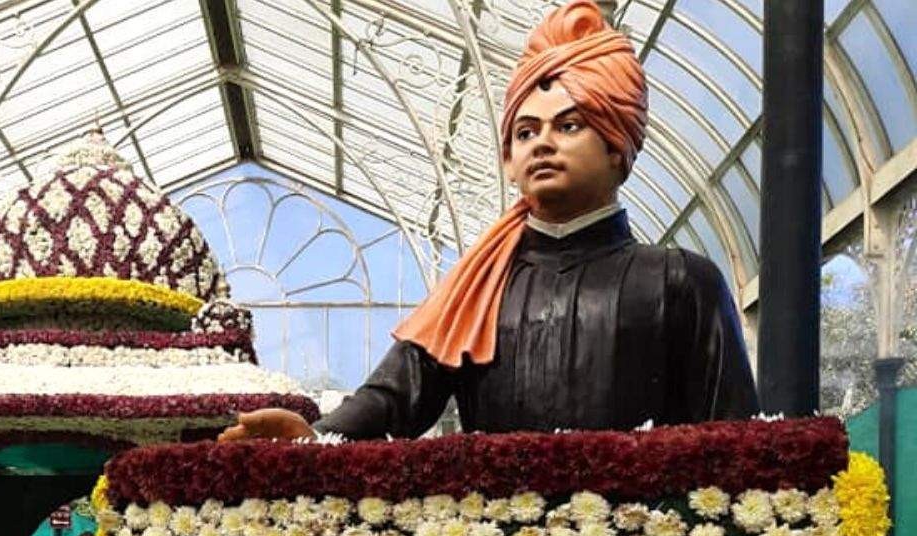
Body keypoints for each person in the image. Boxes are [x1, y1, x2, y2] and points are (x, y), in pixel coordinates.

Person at [220, 0, 756, 444]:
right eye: (525, 133)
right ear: (508, 158)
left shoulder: (680, 281)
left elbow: (736, 444)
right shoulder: (477, 289)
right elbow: (393, 397)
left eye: (569, 125)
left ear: (619, 146)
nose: (542, 142)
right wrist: (315, 439)